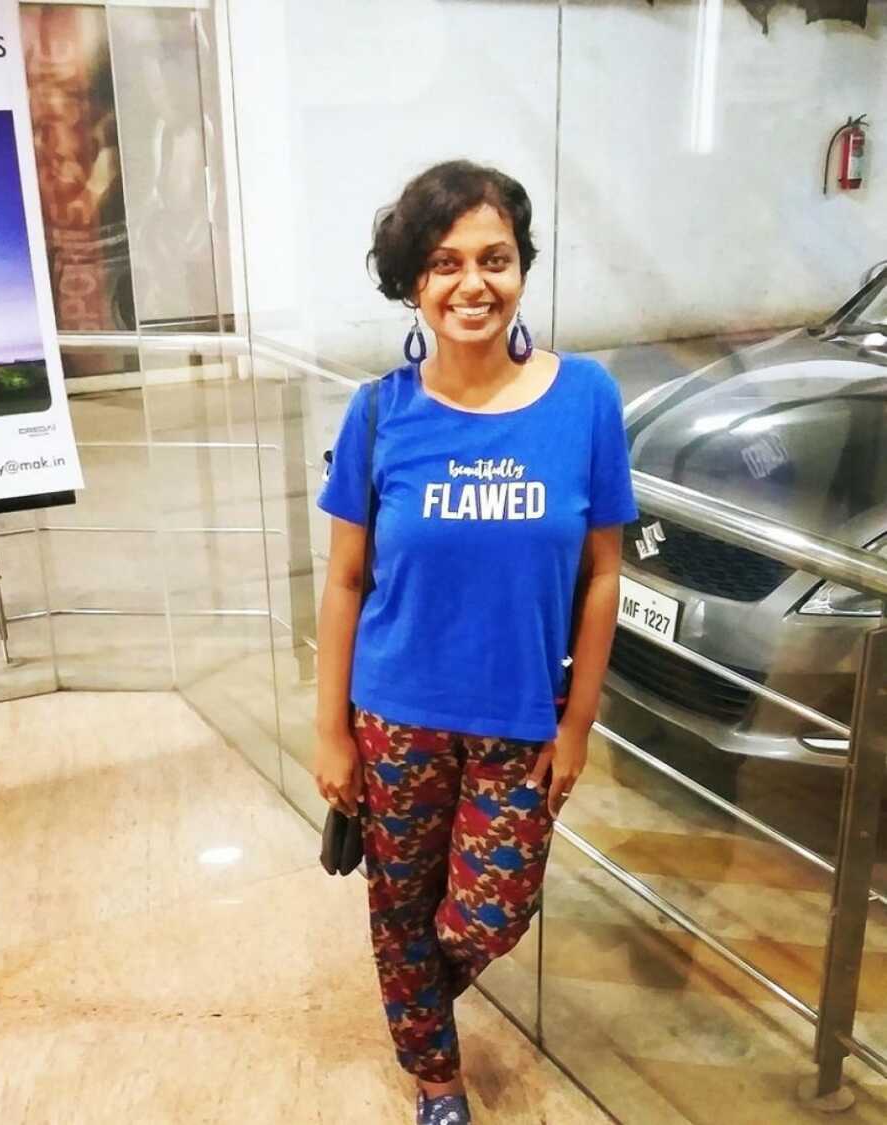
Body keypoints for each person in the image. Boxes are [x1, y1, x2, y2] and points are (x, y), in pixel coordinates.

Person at [314, 159, 637, 1125]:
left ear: (523, 270)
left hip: (518, 726)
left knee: (483, 917)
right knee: (400, 911)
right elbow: (343, 581)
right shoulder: (379, 414)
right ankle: (437, 1080)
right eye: (445, 261)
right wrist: (329, 730)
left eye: (495, 258)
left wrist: (576, 726)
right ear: (414, 281)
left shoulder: (585, 399)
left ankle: (414, 1000)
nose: (472, 283)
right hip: (397, 718)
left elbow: (605, 575)